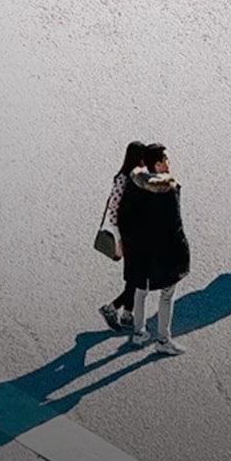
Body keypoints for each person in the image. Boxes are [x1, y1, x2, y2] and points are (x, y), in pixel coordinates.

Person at [117, 143, 192, 354]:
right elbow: (174, 225)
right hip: (163, 253)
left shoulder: (134, 184)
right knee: (167, 294)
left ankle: (139, 333)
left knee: (141, 290)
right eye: (166, 160)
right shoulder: (168, 190)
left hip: (140, 251)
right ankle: (163, 340)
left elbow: (124, 216)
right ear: (158, 165)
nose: (169, 164)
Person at [98, 141, 151, 332]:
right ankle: (111, 308)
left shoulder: (136, 176)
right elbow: (114, 207)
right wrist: (119, 235)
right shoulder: (124, 179)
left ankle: (128, 314)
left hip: (135, 234)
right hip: (128, 235)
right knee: (136, 277)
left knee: (135, 276)